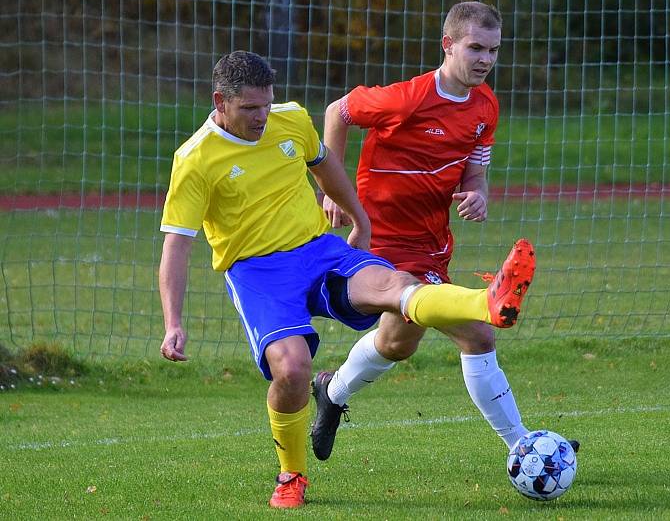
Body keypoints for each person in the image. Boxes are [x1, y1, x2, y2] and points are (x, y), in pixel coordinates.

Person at [158, 50, 535, 509]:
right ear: (221, 101)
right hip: (258, 272)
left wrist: (359, 218)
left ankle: (486, 303)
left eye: (266, 104)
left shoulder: (290, 119)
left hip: (318, 250)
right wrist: (172, 321)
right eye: (249, 108)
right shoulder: (195, 159)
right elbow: (177, 246)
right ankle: (292, 475)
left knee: (394, 287)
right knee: (292, 368)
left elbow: (324, 164)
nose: (262, 117)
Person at [312, 2, 577, 463]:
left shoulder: (485, 106)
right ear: (448, 45)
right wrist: (332, 188)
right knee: (478, 335)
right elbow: (339, 111)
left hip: (431, 244)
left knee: (397, 343)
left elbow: (475, 174)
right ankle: (524, 447)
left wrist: (478, 194)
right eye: (475, 47)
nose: (485, 60)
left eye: (494, 50)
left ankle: (330, 392)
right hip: (381, 242)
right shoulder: (408, 98)